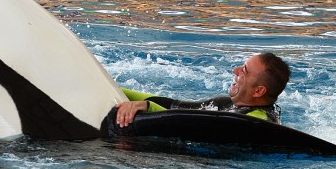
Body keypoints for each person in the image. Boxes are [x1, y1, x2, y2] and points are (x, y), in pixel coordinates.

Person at [115, 52, 291, 127]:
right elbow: (176, 107)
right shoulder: (225, 103)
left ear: (258, 91)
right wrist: (115, 88)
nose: (235, 71)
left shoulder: (258, 121)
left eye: (243, 71)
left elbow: (195, 124)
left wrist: (148, 107)